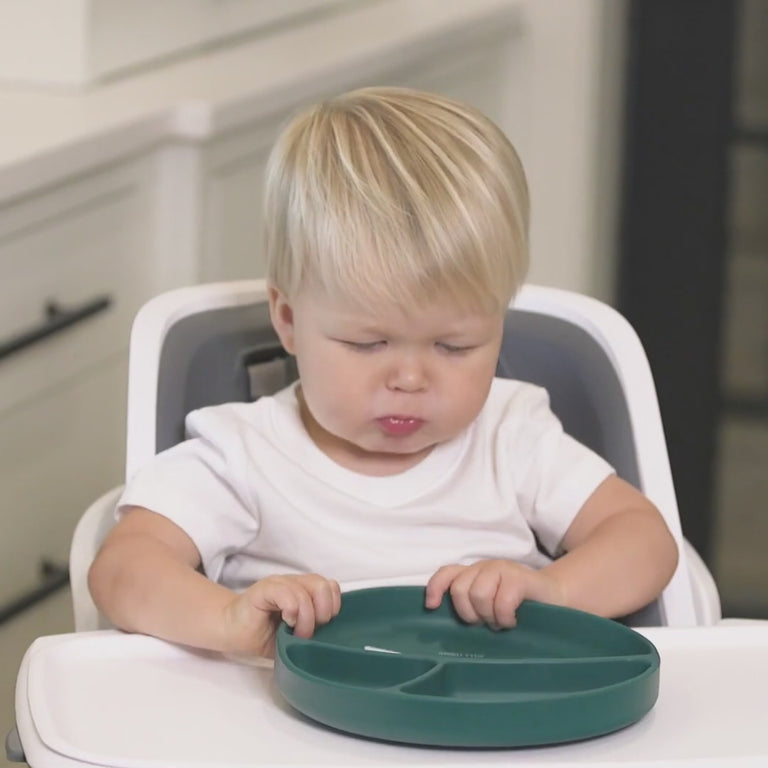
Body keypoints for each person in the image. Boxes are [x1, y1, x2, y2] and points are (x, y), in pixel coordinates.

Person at [89, 86, 678, 659]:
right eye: (367, 344)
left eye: (454, 346)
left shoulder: (511, 435)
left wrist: (554, 593)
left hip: (493, 712)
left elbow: (643, 538)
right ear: (288, 320)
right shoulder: (243, 454)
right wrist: (228, 619)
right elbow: (122, 569)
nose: (410, 379)